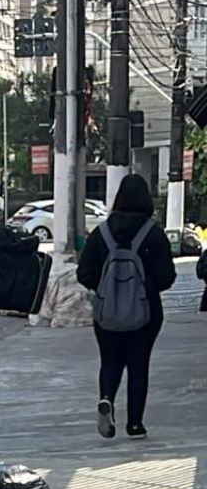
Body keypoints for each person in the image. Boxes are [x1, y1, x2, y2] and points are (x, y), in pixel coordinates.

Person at [76, 174, 175, 440]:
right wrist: (144, 288)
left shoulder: (102, 233)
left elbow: (84, 273)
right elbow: (167, 277)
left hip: (106, 312)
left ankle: (106, 397)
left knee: (110, 360)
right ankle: (135, 424)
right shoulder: (153, 234)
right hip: (146, 312)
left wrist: (107, 289)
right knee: (138, 364)